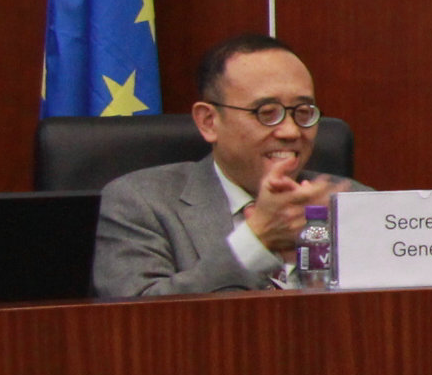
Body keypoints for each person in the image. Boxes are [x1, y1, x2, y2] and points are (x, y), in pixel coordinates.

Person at [94, 34, 367, 297]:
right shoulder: (141, 202)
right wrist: (254, 241)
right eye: (267, 113)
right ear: (209, 122)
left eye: (303, 112)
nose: (291, 131)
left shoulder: (356, 202)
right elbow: (135, 315)